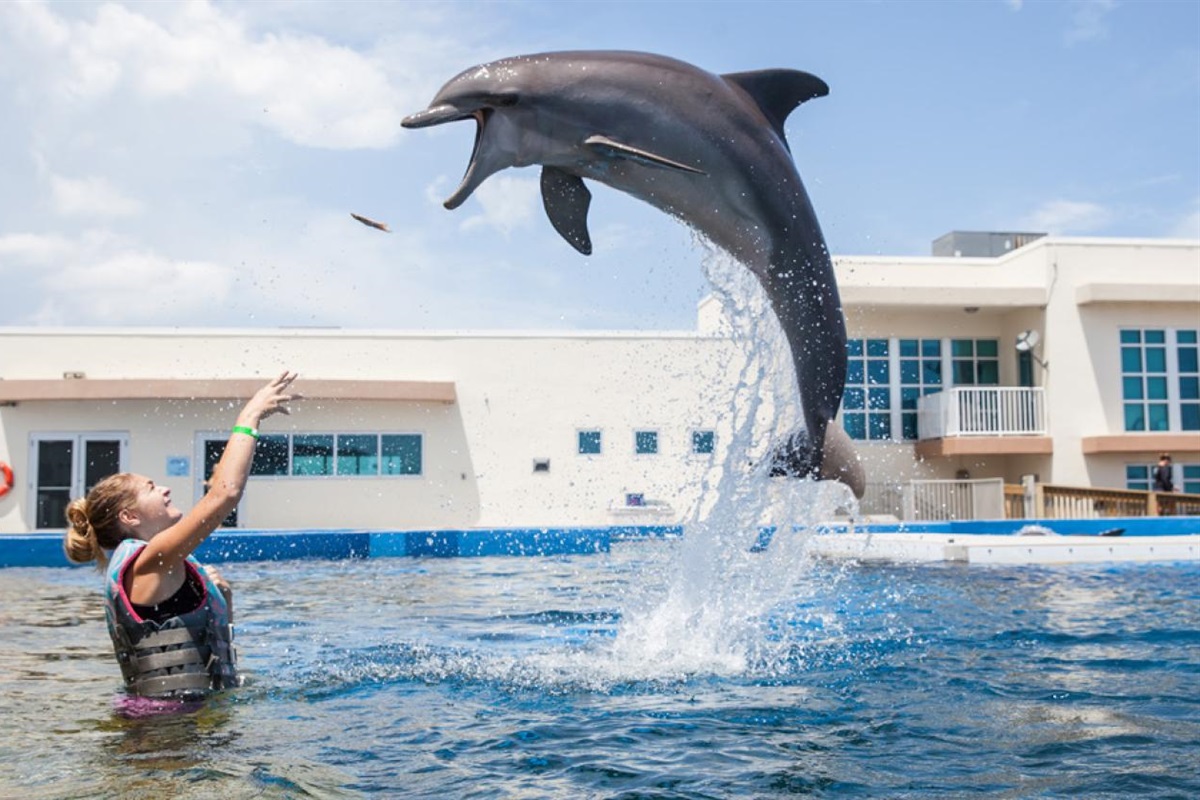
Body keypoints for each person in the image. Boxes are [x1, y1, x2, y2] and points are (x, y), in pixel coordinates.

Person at [64, 372, 299, 704]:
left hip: (180, 728)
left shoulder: (158, 564)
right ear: (129, 516)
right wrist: (250, 416)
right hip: (163, 739)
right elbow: (225, 495)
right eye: (150, 487)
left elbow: (198, 650)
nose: (165, 488)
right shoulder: (148, 562)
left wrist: (222, 602)